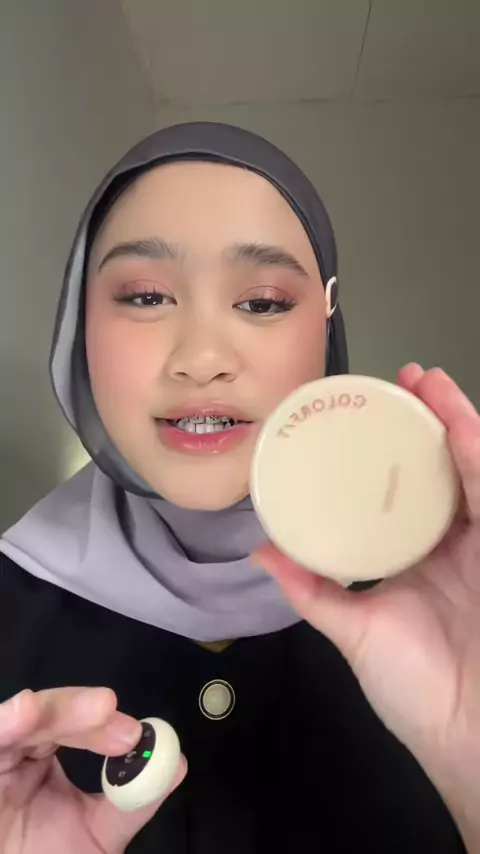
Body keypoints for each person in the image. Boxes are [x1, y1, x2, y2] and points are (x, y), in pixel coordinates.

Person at [0, 122, 478, 854]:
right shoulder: (13, 605)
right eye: (146, 296)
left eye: (262, 302)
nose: (202, 358)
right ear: (78, 322)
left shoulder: (445, 609)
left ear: (326, 327)